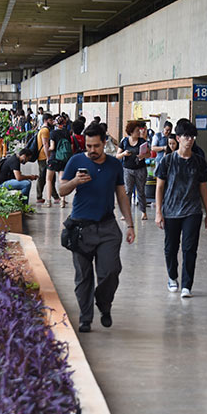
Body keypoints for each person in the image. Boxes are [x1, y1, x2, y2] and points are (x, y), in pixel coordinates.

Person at [59, 124, 136, 333]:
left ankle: (104, 303)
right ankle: (85, 318)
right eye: (89, 146)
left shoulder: (114, 165)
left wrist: (130, 224)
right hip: (80, 228)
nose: (92, 150)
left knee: (111, 271)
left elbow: (121, 195)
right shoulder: (76, 161)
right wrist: (75, 181)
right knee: (83, 277)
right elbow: (61, 190)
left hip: (107, 226)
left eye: (96, 146)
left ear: (104, 143)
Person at [155, 120, 207, 298]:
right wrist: (158, 212)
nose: (190, 140)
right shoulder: (167, 161)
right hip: (171, 210)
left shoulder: (199, 162)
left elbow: (203, 188)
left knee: (189, 248)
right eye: (186, 136)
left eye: (192, 136)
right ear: (178, 138)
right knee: (170, 248)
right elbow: (159, 187)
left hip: (192, 211)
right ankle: (172, 277)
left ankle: (187, 285)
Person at [116, 120, 149, 220]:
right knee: (127, 191)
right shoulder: (124, 141)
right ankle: (126, 213)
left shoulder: (142, 141)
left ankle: (143, 212)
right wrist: (124, 154)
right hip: (127, 169)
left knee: (141, 191)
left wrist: (143, 156)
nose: (139, 132)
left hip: (140, 169)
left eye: (139, 130)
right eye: (137, 131)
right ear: (131, 132)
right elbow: (117, 155)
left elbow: (149, 154)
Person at [45, 115, 72, 208]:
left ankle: (48, 201)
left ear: (55, 123)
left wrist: (48, 148)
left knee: (49, 179)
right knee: (62, 180)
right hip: (64, 159)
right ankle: (62, 201)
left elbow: (52, 147)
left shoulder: (53, 133)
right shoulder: (67, 132)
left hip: (54, 158)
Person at [34, 113, 55, 203]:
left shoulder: (42, 129)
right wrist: (48, 157)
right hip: (43, 157)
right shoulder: (45, 130)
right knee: (46, 177)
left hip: (43, 156)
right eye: (50, 120)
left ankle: (54, 196)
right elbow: (45, 144)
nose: (52, 122)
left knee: (47, 177)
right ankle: (40, 196)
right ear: (46, 120)